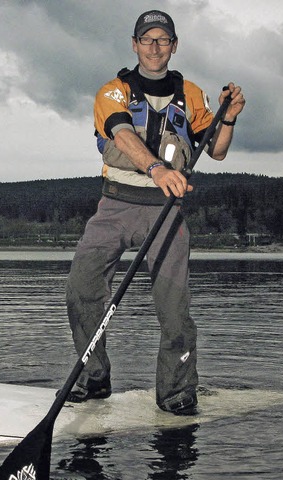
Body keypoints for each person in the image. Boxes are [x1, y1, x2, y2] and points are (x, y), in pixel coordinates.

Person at [64, 10, 246, 415]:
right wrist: (156, 168)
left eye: (163, 39)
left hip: (165, 212)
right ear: (134, 44)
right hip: (114, 205)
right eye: (147, 39)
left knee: (174, 308)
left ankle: (176, 394)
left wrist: (228, 118)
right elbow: (122, 133)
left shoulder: (193, 95)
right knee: (81, 289)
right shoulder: (113, 91)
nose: (155, 47)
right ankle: (93, 379)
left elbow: (216, 151)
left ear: (174, 46)